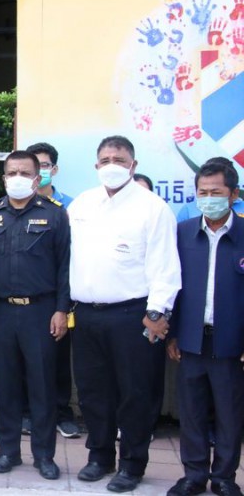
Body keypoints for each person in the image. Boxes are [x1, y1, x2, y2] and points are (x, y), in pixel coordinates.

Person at [69, 135, 181, 493]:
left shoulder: (153, 207)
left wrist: (157, 312)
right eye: (105, 160)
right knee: (93, 391)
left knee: (136, 393)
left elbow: (165, 266)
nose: (112, 165)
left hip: (134, 315)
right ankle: (99, 457)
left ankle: (132, 465)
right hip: (86, 314)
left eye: (119, 159)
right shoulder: (82, 204)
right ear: (96, 165)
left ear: (133, 165)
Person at [0, 150, 70, 480]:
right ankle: (8, 451)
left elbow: (65, 267)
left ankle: (44, 455)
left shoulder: (55, 215)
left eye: (24, 172)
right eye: (11, 172)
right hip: (0, 311)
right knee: (5, 385)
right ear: (4, 178)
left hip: (41, 312)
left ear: (36, 178)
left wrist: (62, 309)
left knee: (42, 386)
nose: (17, 178)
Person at [166, 160, 244, 496]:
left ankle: (224, 477)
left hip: (231, 342)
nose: (208, 199)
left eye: (216, 192)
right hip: (191, 339)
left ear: (233, 194)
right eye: (203, 192)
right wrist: (172, 333)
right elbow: (172, 285)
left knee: (229, 413)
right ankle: (194, 475)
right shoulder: (183, 233)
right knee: (192, 412)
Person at [25, 142, 79, 439]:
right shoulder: (12, 205)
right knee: (24, 360)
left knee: (57, 358)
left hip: (59, 294)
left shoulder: (71, 207)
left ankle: (61, 413)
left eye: (44, 165)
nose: (39, 171)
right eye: (34, 166)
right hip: (24, 296)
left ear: (53, 170)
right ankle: (28, 414)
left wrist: (63, 303)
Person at [176, 157, 244, 222]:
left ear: (234, 193)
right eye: (203, 193)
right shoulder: (188, 210)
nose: (209, 198)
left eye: (216, 193)